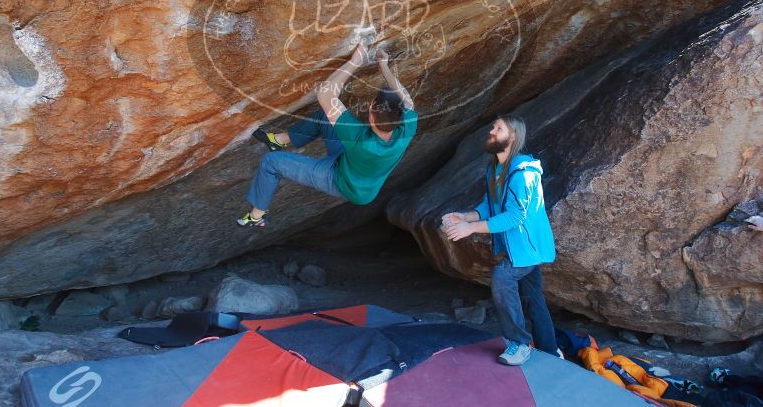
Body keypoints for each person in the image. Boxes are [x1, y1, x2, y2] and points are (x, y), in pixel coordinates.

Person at [237, 41, 418, 227]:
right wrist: (384, 66)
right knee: (326, 116)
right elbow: (407, 99)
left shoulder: (357, 136)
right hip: (358, 172)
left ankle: (256, 215)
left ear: (371, 112)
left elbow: (325, 94)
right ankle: (280, 140)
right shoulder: (407, 127)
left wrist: (355, 62)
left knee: (270, 162)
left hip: (340, 181)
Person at [442, 115, 558, 365]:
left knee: (502, 277)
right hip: (516, 249)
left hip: (528, 248)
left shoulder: (523, 173)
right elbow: (489, 206)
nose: (492, 131)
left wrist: (469, 228)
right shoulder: (495, 169)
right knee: (533, 296)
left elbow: (515, 217)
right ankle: (550, 350)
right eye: (493, 126)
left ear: (512, 136)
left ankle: (519, 343)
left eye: (498, 128)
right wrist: (464, 216)